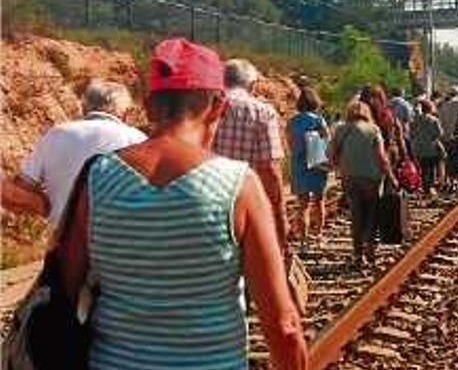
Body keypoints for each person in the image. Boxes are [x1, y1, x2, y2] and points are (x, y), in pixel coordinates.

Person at [60, 38, 307, 370]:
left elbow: (65, 291)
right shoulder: (238, 186)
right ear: (219, 106)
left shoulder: (98, 177)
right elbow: (284, 326)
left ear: (148, 107)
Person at [2, 79, 146, 226]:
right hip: (121, 240)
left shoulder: (57, 134)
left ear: (84, 107)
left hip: (66, 241)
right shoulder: (139, 140)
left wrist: (45, 206)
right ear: (126, 113)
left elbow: (19, 192)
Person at [214, 58, 288, 256]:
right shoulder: (262, 112)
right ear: (252, 84)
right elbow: (270, 169)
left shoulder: (207, 107)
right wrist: (279, 214)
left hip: (209, 202)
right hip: (248, 205)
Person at [328, 101, 398, 269]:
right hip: (371, 179)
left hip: (350, 178)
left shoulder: (341, 129)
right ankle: (370, 250)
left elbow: (331, 154)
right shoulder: (373, 130)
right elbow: (381, 157)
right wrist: (391, 176)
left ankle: (358, 255)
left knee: (356, 215)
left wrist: (340, 167)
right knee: (372, 215)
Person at [288, 87, 330, 241]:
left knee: (302, 203)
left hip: (299, 165)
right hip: (317, 163)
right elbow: (327, 140)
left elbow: (290, 143)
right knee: (319, 201)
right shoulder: (318, 120)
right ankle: (319, 233)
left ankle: (304, 237)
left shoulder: (292, 121)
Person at [411, 99, 445, 198]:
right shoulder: (434, 120)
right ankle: (429, 187)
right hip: (431, 148)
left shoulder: (415, 119)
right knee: (431, 168)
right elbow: (439, 134)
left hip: (417, 148)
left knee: (421, 168)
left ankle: (421, 186)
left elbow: (411, 133)